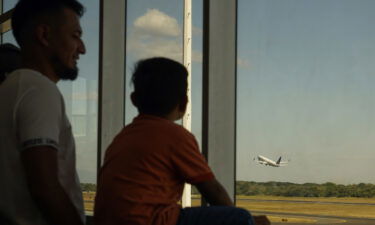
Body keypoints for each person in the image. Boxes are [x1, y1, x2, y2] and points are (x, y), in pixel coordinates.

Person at [94, 57, 270, 225]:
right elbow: (212, 190)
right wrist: (242, 220)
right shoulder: (175, 136)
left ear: (133, 100)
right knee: (240, 217)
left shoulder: (122, 138)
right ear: (184, 103)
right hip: (152, 221)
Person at [0, 0, 86, 225]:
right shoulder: (38, 89)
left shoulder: (11, 88)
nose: (82, 48)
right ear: (44, 35)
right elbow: (44, 187)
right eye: (75, 36)